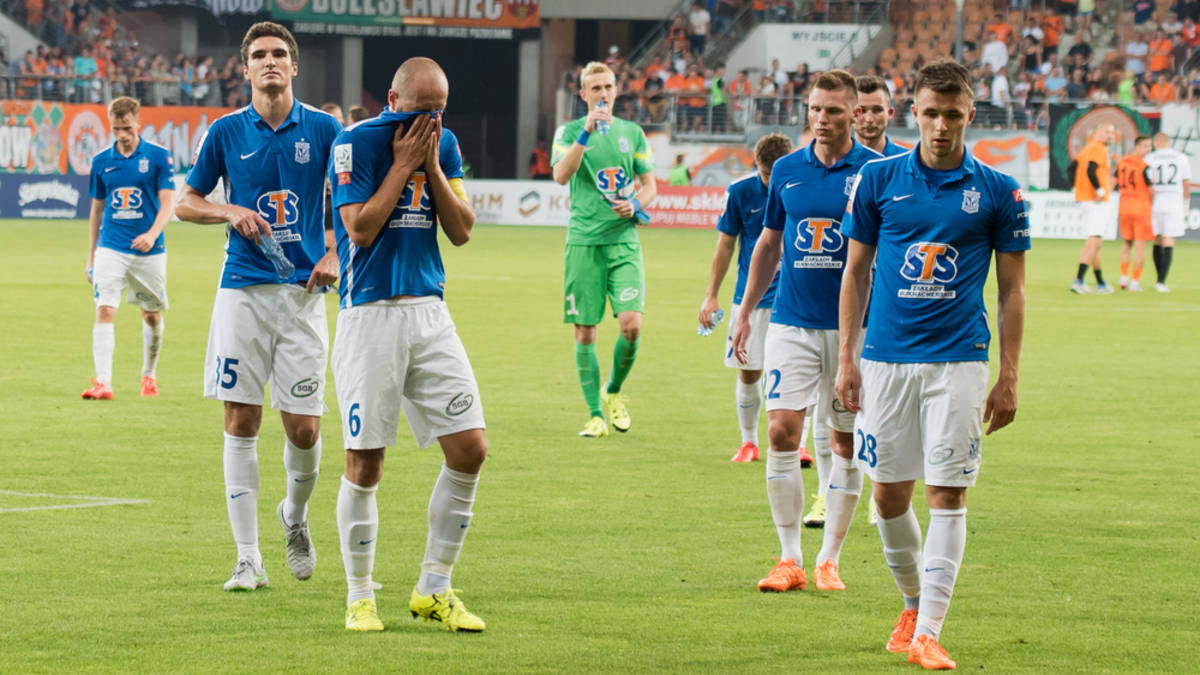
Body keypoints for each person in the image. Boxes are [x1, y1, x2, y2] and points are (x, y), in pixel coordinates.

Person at [836, 59, 1029, 670]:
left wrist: (1009, 374)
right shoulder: (877, 180)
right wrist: (847, 358)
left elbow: (1012, 291)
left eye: (952, 115)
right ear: (913, 113)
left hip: (959, 362)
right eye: (931, 114)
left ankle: (929, 632)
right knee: (889, 498)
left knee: (948, 492)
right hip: (886, 360)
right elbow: (856, 272)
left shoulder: (998, 190)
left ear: (970, 114)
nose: (941, 127)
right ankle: (913, 604)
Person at [174, 21, 343, 592]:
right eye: (259, 55)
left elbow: (353, 198)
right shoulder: (225, 132)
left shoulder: (324, 129)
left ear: (294, 66)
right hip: (242, 290)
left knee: (304, 429)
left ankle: (293, 515)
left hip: (302, 295)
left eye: (278, 54)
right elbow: (185, 203)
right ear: (244, 69)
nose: (270, 62)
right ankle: (247, 558)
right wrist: (229, 211)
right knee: (240, 418)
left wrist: (336, 252)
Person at [328, 56, 488, 633]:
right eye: (420, 111)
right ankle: (359, 596)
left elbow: (462, 230)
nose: (429, 123)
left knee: (470, 448)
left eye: (439, 112)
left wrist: (433, 165)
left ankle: (434, 588)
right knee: (365, 462)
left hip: (430, 312)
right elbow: (360, 228)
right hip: (370, 315)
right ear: (392, 101)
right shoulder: (353, 144)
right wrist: (401, 165)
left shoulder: (446, 145)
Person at [730, 69, 881, 594]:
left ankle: (829, 559)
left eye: (833, 110)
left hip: (853, 330)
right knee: (780, 432)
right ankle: (789, 557)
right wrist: (746, 309)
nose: (821, 119)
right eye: (815, 109)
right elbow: (769, 243)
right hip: (790, 321)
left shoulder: (877, 172)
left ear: (854, 114)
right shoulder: (788, 169)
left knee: (844, 440)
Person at [552, 61, 657, 438]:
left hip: (623, 242)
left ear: (616, 90)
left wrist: (636, 204)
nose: (603, 93)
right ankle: (595, 415)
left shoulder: (633, 133)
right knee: (585, 332)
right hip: (584, 244)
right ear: (583, 94)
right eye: (595, 88)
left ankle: (612, 391)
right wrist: (586, 132)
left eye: (608, 87)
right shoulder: (568, 132)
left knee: (631, 326)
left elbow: (650, 185)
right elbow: (560, 175)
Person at [698, 132, 793, 463]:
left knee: (797, 373)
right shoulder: (740, 191)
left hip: (794, 297)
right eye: (766, 175)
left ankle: (800, 444)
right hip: (750, 298)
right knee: (749, 370)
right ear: (757, 166)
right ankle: (749, 442)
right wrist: (711, 295)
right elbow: (725, 244)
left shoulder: (800, 186)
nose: (771, 181)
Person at [82, 96, 175, 401]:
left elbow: (168, 204)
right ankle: (103, 383)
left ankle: (149, 374)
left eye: (127, 128)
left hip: (150, 251)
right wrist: (91, 256)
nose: (121, 135)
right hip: (111, 247)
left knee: (151, 316)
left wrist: (152, 233)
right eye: (116, 129)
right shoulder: (101, 161)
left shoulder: (158, 157)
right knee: (105, 308)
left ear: (138, 123)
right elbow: (97, 210)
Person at [1069, 124, 1115, 294]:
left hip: (1085, 199)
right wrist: (1100, 190)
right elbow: (1091, 170)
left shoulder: (1088, 148)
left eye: (1112, 133)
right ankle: (1078, 280)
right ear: (1097, 133)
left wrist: (1076, 187)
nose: (1110, 135)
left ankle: (1100, 282)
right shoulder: (1099, 148)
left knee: (1096, 241)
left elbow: (1071, 168)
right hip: (1096, 201)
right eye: (1107, 132)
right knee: (1094, 239)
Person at [1145, 132, 1192, 292]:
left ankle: (1158, 278)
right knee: (1169, 239)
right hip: (1174, 202)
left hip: (1156, 201)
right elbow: (1186, 183)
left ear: (1156, 143)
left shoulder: (1150, 158)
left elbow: (1148, 183)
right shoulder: (1181, 157)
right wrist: (1186, 204)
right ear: (1168, 142)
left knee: (1157, 239)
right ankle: (1161, 281)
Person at [1116, 135, 1154, 291]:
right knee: (1140, 247)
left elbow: (1114, 180)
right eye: (1145, 146)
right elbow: (1151, 190)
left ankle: (1123, 278)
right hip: (1141, 208)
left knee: (1126, 244)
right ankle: (1134, 282)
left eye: (1149, 146)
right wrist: (1152, 202)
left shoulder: (1122, 162)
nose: (1148, 149)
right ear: (1137, 147)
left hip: (1125, 207)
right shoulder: (1145, 167)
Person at [854, 74, 908, 157]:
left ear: (890, 113)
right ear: (851, 114)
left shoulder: (907, 160)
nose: (869, 119)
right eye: (862, 111)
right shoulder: (835, 160)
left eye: (877, 110)